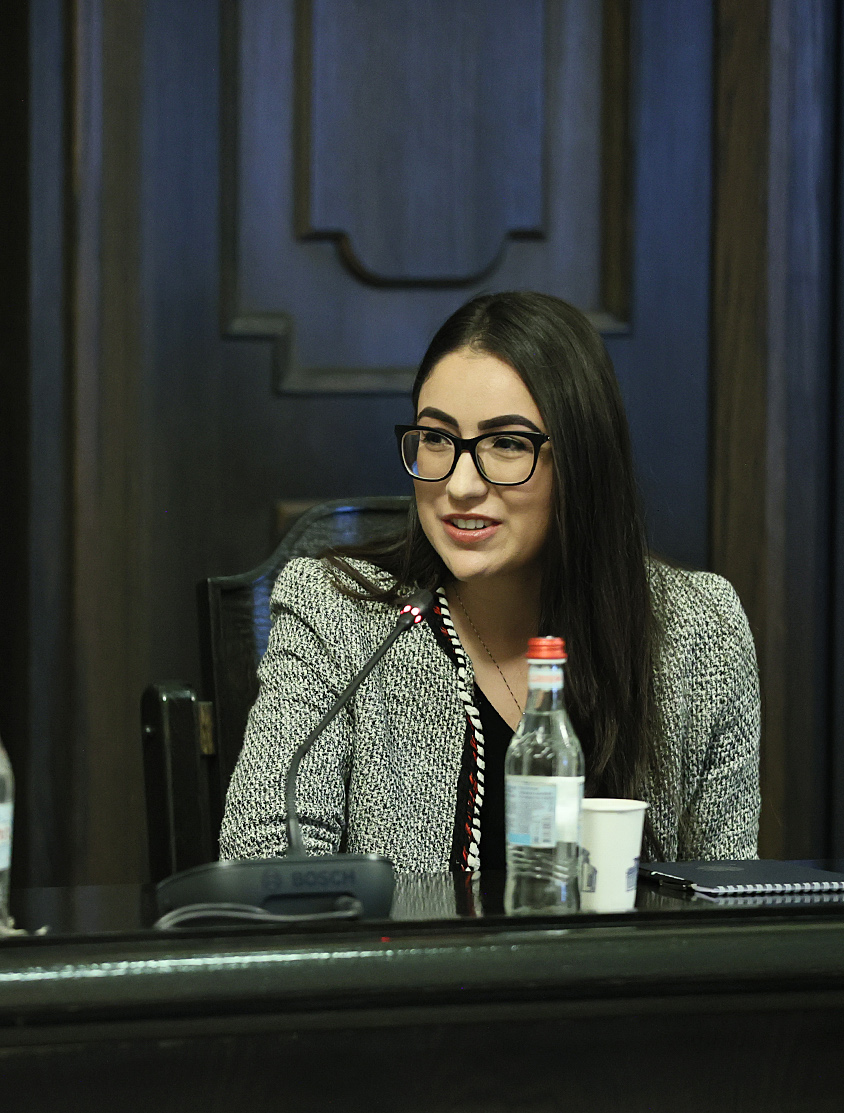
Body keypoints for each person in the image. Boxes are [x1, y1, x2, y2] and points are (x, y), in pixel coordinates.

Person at [220, 291, 759, 872]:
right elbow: (265, 865)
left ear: (582, 461)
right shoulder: (335, 613)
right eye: (436, 438)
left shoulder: (699, 629)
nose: (460, 485)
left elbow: (727, 893)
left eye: (506, 443)